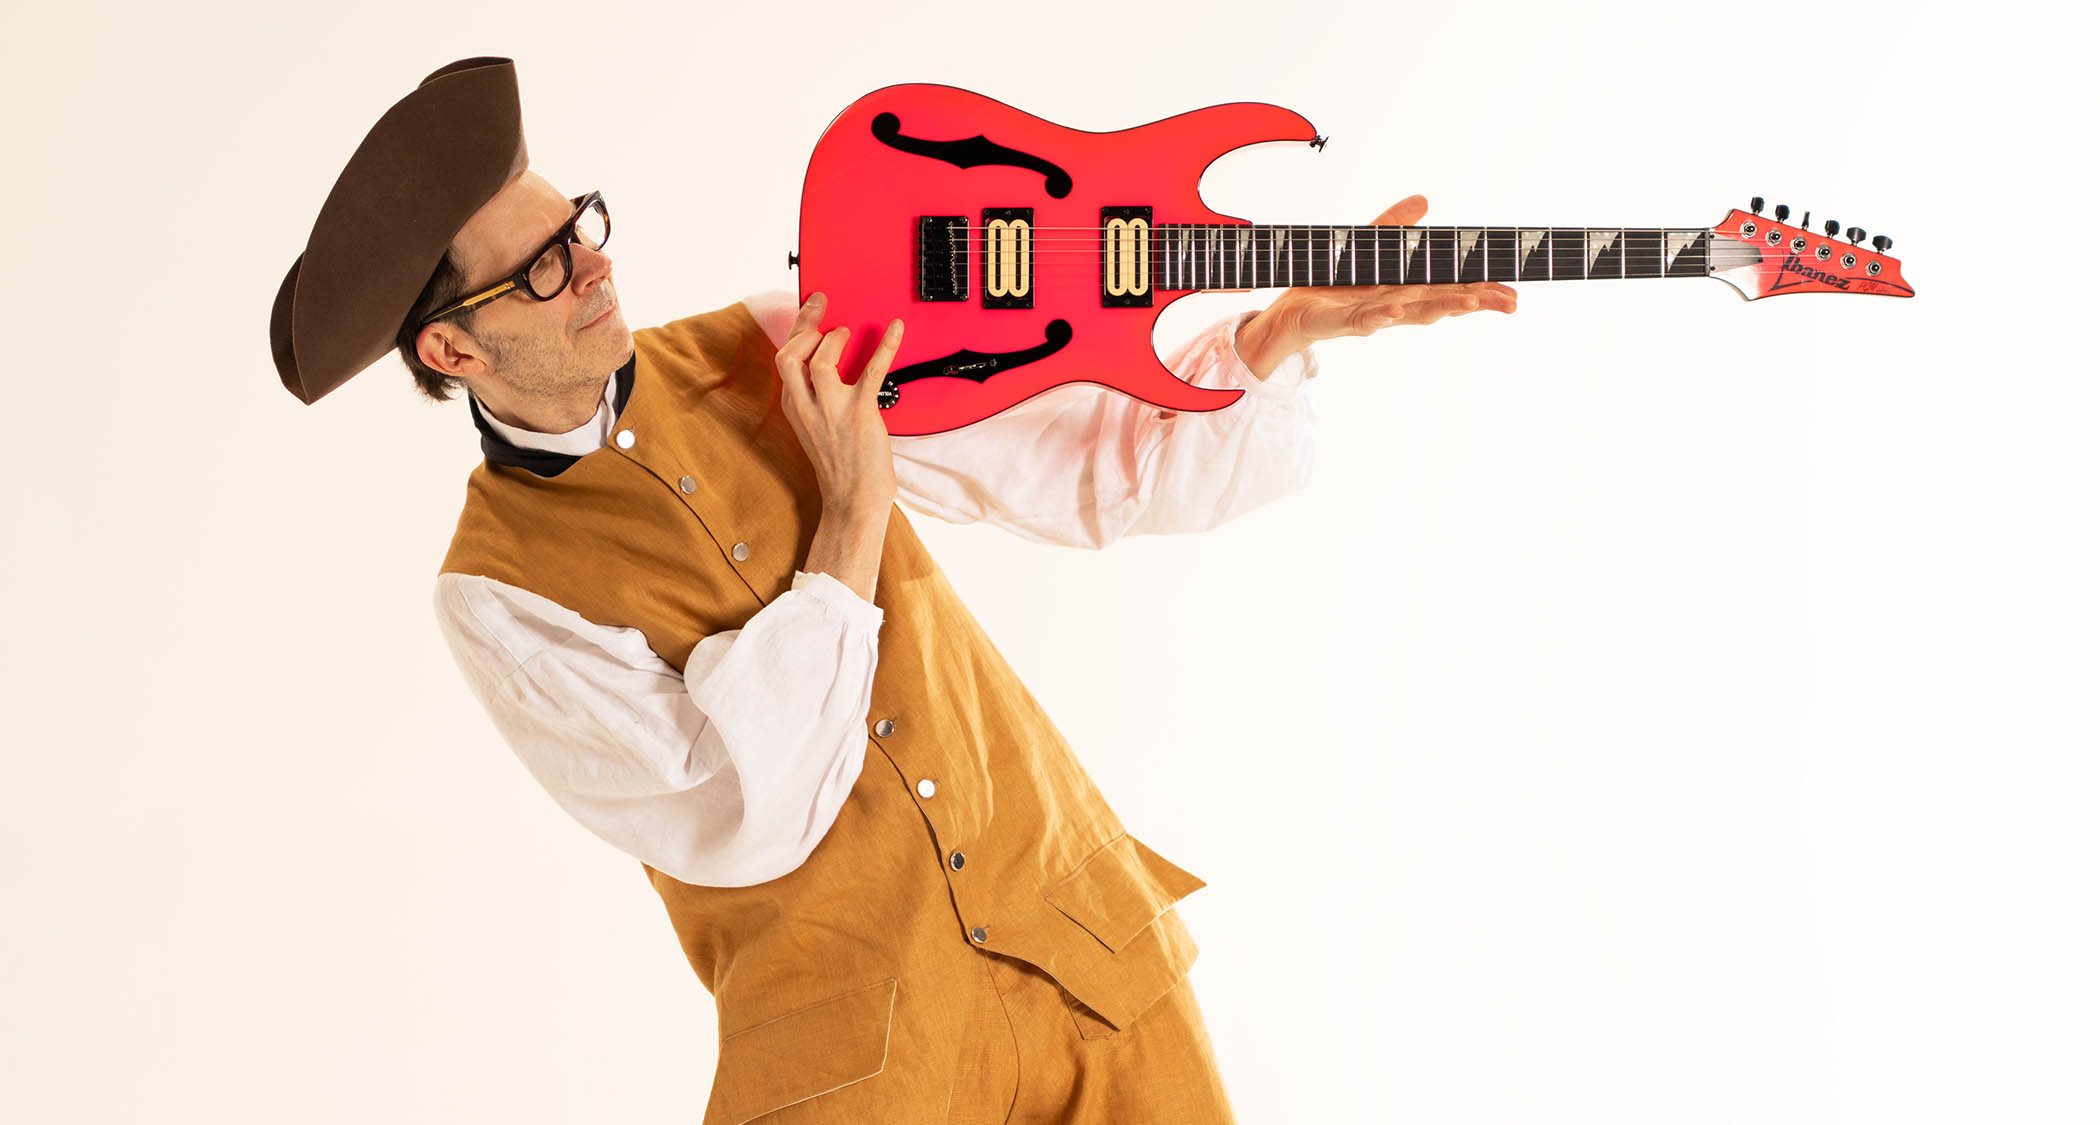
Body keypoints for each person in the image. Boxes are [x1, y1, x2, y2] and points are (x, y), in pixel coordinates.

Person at [270, 56, 1515, 1125]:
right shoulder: (496, 593)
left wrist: (1265, 340)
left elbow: (1088, 467)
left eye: (579, 225)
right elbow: (744, 805)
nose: (590, 267)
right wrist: (854, 514)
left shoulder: (781, 340)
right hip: (866, 1072)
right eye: (539, 268)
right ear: (451, 347)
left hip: (1090, 959)